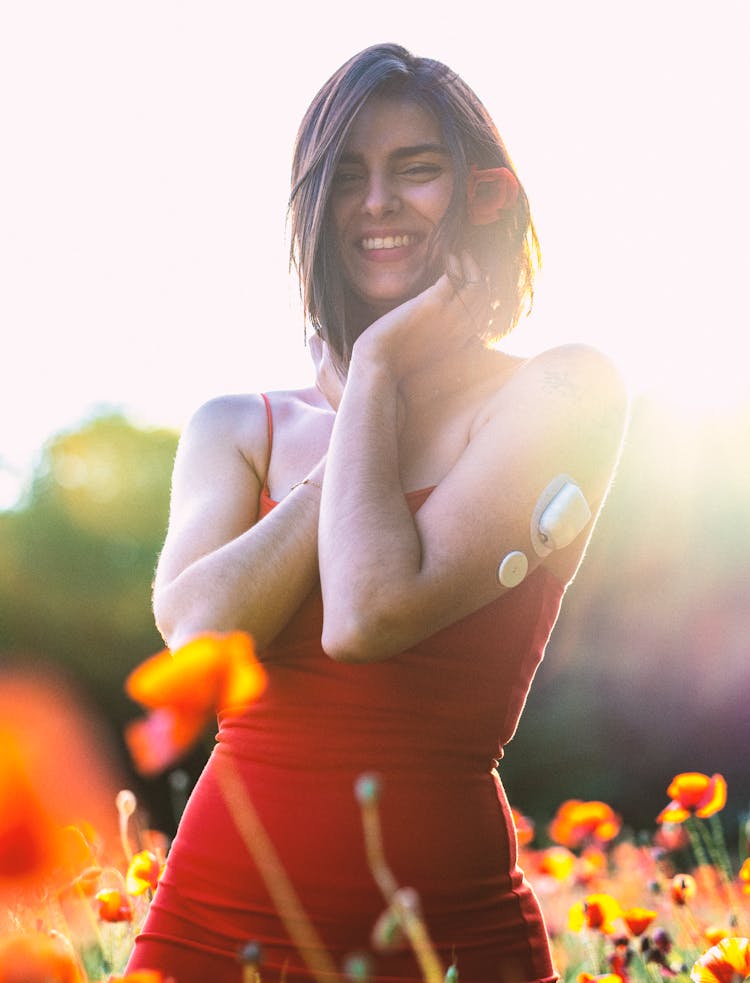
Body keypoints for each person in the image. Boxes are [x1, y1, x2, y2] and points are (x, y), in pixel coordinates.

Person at [126, 42, 628, 983]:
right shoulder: (238, 425)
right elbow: (198, 634)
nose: (377, 204)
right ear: (312, 210)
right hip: (206, 927)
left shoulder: (565, 393)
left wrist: (382, 372)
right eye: (346, 176)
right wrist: (366, 417)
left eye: (417, 169)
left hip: (446, 942)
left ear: (484, 191)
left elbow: (368, 612)